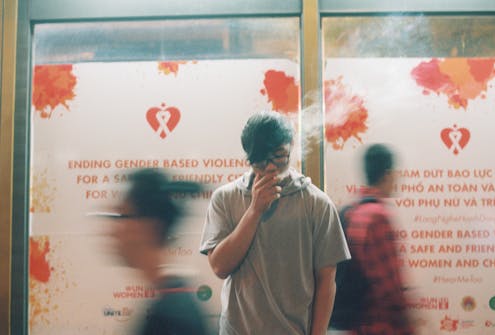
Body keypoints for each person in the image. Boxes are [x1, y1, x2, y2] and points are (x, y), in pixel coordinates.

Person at [199, 111, 350, 335]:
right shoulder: (226, 198)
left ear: (290, 148)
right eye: (261, 160)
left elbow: (326, 280)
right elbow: (220, 267)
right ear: (249, 157)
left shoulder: (316, 204)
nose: (270, 167)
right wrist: (254, 210)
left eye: (279, 156)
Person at [108, 168, 210, 335]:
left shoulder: (170, 316)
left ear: (150, 226)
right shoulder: (170, 302)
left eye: (123, 216)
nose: (113, 231)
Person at [340, 143, 413, 335]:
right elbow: (390, 287)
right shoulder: (378, 216)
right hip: (378, 325)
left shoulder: (353, 212)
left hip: (354, 323)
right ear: (388, 174)